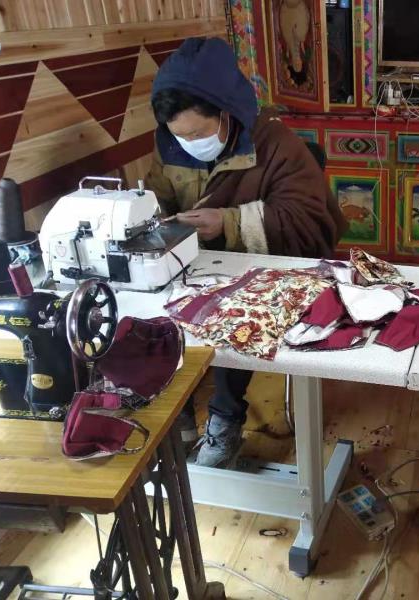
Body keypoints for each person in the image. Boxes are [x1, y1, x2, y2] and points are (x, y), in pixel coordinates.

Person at [145, 37, 346, 468]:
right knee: (154, 322)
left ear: (225, 112)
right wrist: (154, 220)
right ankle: (178, 416)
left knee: (238, 323)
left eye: (197, 134)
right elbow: (156, 203)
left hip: (260, 267)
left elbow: (307, 221)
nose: (189, 143)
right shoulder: (171, 146)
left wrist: (230, 222)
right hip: (194, 265)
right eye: (180, 135)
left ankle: (225, 418)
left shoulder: (277, 145)